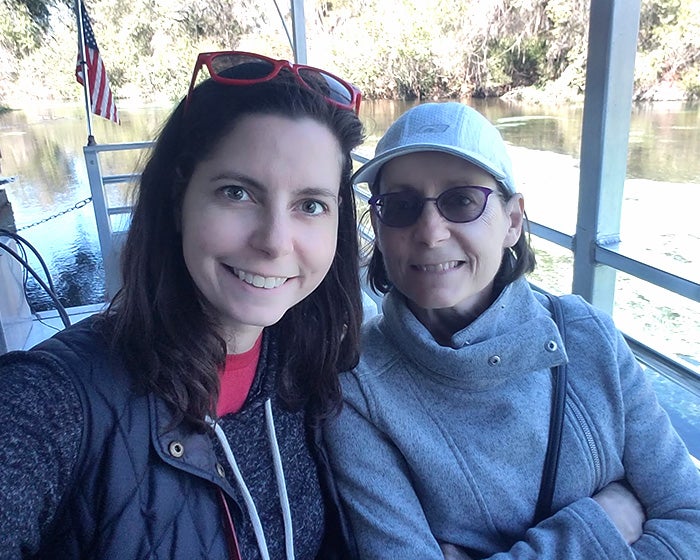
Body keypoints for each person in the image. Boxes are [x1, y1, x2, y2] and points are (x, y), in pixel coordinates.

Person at [0, 51, 364, 559]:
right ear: (178, 197)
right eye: (238, 193)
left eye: (310, 205)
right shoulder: (56, 400)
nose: (276, 242)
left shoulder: (308, 365)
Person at [323, 101, 700, 559]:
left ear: (513, 221)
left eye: (461, 200)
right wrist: (600, 523)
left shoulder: (588, 337)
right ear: (378, 228)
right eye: (400, 206)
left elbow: (690, 516)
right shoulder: (358, 391)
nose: (430, 233)